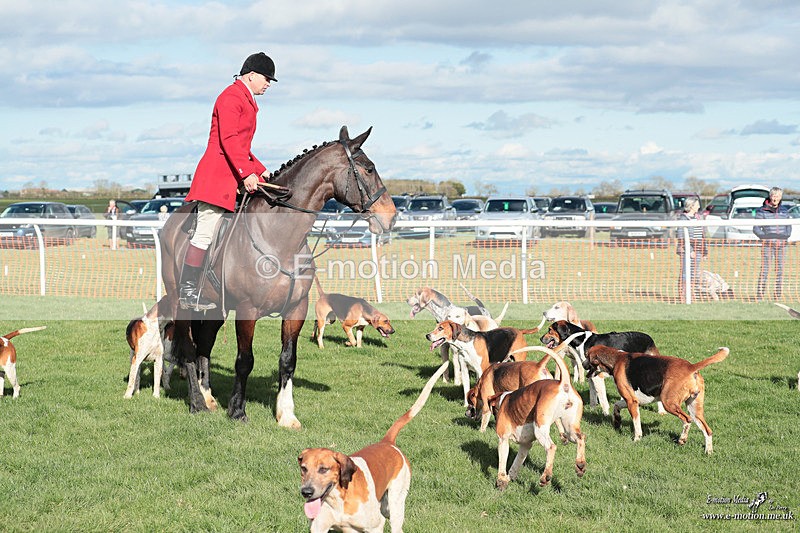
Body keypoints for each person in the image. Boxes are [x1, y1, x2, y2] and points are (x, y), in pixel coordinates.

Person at [180, 52, 277, 311]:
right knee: (205, 232)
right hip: (217, 177)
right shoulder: (231, 96)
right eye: (267, 78)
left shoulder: (246, 99)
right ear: (251, 75)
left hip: (234, 169)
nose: (268, 83)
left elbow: (243, 146)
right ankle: (187, 291)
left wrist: (261, 170)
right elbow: (229, 140)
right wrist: (247, 173)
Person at [754, 186, 790, 300]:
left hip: (782, 245)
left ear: (781, 197)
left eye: (778, 196)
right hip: (768, 245)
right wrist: (765, 237)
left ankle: (777, 295)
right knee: (765, 270)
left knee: (780, 270)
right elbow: (756, 228)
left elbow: (788, 226)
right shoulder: (762, 211)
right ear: (770, 196)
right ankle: (760, 295)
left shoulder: (784, 210)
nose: (776, 198)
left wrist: (786, 236)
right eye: (774, 196)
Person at [676, 196, 705, 301]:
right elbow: (681, 236)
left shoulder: (698, 217)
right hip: (687, 250)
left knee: (694, 273)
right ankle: (684, 295)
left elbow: (702, 235)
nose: (698, 206)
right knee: (686, 272)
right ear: (691, 206)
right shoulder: (683, 218)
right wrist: (690, 250)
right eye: (697, 204)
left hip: (698, 249)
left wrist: (704, 252)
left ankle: (691, 293)